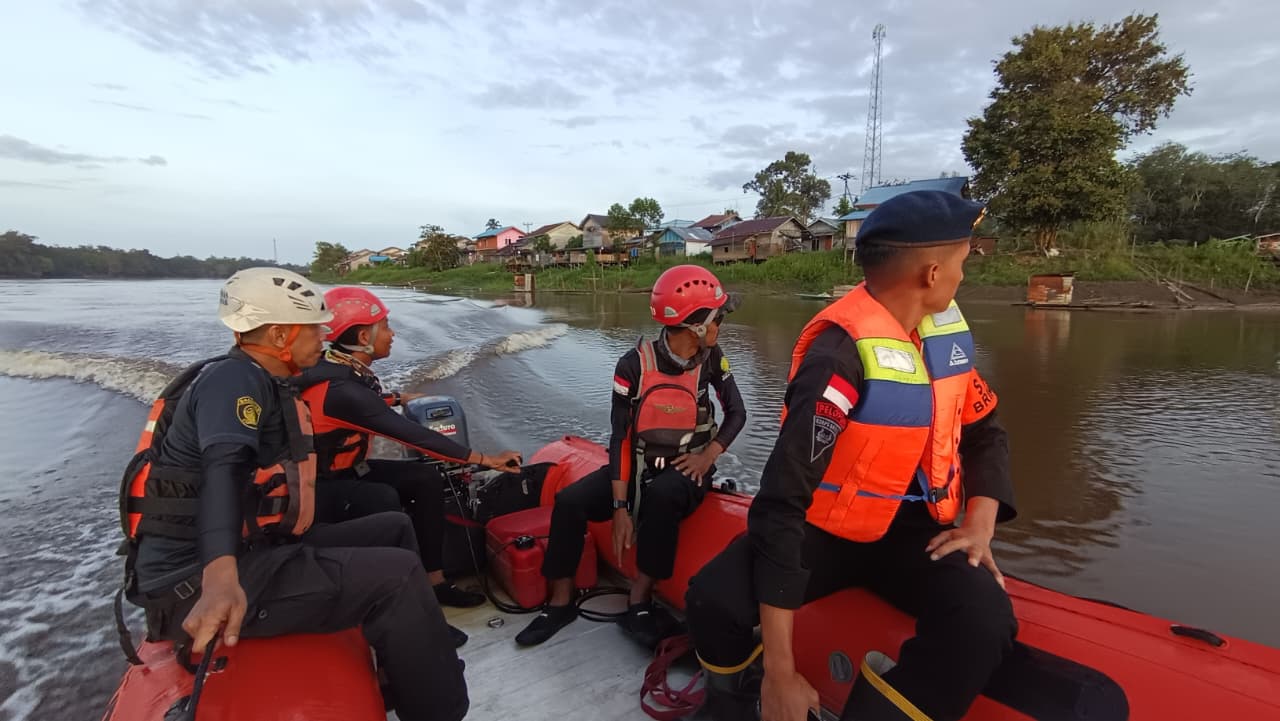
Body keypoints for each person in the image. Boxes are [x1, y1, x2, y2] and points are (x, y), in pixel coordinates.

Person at [685, 191, 1018, 721]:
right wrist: (779, 671)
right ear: (932, 273)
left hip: (917, 532)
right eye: (962, 260)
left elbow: (985, 433)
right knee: (713, 599)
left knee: (984, 620)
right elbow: (782, 501)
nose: (964, 273)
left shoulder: (942, 340)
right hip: (826, 529)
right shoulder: (838, 358)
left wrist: (980, 523)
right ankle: (735, 705)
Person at [119, 268, 468, 721]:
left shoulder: (267, 379)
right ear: (280, 334)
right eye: (315, 329)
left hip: (256, 547)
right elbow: (223, 468)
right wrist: (221, 576)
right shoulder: (234, 382)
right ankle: (441, 711)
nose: (324, 338)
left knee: (394, 526)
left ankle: (400, 665)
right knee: (397, 575)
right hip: (197, 581)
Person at [515, 264, 747, 649]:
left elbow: (737, 413)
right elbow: (621, 436)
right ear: (696, 326)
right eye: (718, 317)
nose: (721, 325)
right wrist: (620, 507)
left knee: (664, 495)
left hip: (689, 466)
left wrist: (709, 455)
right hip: (639, 464)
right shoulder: (632, 365)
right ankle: (560, 602)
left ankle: (640, 600)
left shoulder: (713, 359)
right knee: (569, 502)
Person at [296, 286, 522, 617]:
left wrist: (399, 398)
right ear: (364, 337)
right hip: (319, 487)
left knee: (425, 478)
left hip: (347, 470)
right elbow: (412, 435)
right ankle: (404, 601)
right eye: (386, 327)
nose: (393, 334)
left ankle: (435, 581)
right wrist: (486, 459)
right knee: (384, 500)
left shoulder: (340, 367)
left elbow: (367, 402)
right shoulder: (340, 389)